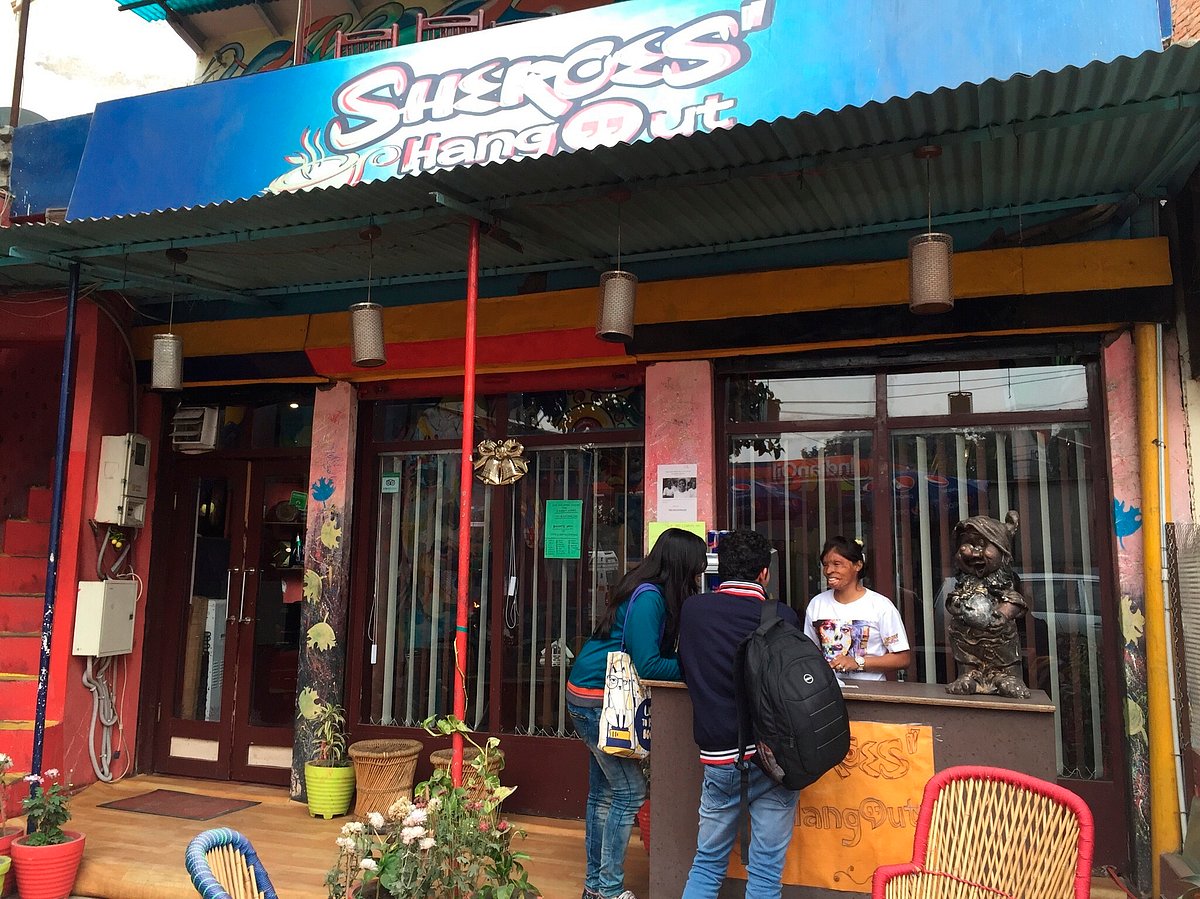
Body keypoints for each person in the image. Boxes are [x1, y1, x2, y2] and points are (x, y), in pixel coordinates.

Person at [567, 527, 709, 899]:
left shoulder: (644, 588)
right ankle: (610, 890)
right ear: (680, 566)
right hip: (597, 698)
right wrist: (698, 666)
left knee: (604, 794)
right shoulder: (651, 598)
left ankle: (596, 889)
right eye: (695, 569)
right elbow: (647, 666)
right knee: (630, 791)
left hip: (588, 691)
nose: (698, 577)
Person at [677, 529, 801, 899]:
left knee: (707, 862)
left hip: (720, 756)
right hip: (774, 758)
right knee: (764, 874)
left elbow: (686, 667)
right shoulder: (782, 616)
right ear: (765, 573)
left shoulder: (694, 610)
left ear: (719, 568)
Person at [804, 536, 911, 680]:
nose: (829, 570)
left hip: (870, 696)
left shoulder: (880, 606)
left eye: (837, 564)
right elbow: (809, 653)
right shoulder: (817, 604)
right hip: (826, 694)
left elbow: (903, 658)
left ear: (857, 565)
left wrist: (858, 662)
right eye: (825, 564)